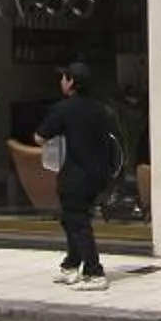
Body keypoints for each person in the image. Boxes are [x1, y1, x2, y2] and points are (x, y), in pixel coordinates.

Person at [21, 62, 118, 289]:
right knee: (71, 218)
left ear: (72, 82)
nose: (61, 82)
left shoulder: (64, 109)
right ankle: (72, 265)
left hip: (76, 175)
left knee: (78, 222)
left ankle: (95, 273)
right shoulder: (101, 109)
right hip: (99, 174)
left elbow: (40, 138)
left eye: (64, 78)